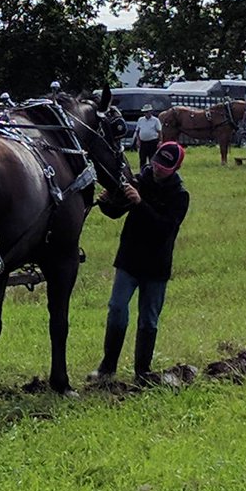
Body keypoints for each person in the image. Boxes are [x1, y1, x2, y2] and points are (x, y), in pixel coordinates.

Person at [88, 141, 190, 385]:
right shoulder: (138, 180)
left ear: (175, 168)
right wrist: (106, 203)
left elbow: (165, 228)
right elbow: (116, 212)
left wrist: (140, 203)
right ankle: (107, 368)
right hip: (129, 260)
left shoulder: (180, 195)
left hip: (156, 265)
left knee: (148, 319)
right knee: (117, 309)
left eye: (164, 166)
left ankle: (142, 372)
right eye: (156, 162)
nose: (157, 168)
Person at [134, 104, 162, 170]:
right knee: (142, 158)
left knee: (152, 159)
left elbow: (159, 132)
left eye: (147, 111)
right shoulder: (140, 120)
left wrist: (160, 141)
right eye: (145, 112)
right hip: (143, 142)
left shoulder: (156, 120)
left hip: (153, 142)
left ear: (151, 112)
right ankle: (142, 172)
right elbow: (137, 131)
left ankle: (151, 172)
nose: (146, 113)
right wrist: (138, 140)